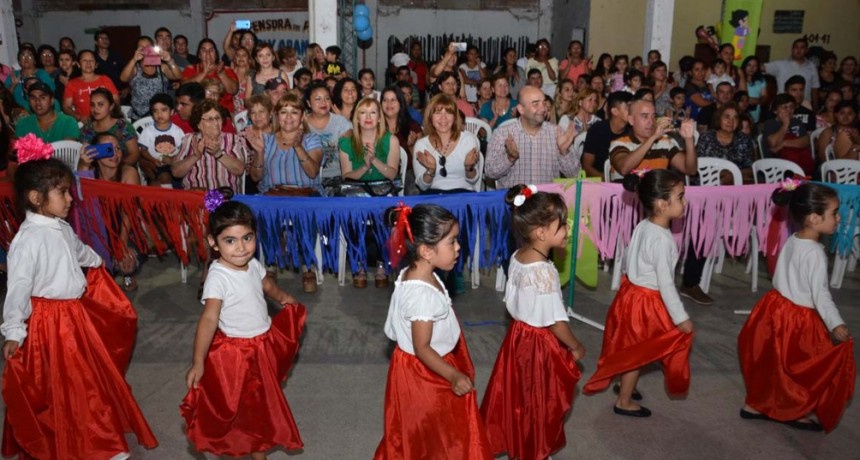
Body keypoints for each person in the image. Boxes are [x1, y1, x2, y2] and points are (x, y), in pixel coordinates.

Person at [1, 148, 157, 458]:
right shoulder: (27, 241)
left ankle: (98, 435)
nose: (71, 199)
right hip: (50, 323)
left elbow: (79, 250)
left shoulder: (61, 226)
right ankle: (93, 442)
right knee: (69, 382)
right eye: (63, 193)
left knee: (89, 375)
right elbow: (17, 287)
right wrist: (14, 331)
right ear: (35, 198)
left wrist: (99, 261)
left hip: (74, 315)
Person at [181, 188, 306, 458]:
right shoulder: (218, 276)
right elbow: (209, 318)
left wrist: (285, 299)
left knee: (260, 405)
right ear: (214, 243)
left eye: (247, 238)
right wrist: (198, 361)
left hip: (262, 345)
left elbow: (265, 285)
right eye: (230, 241)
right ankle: (251, 449)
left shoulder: (252, 263)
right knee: (240, 408)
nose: (241, 247)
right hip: (236, 354)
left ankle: (257, 448)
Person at [374, 203, 493, 459]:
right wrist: (452, 375)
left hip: (419, 365)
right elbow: (422, 347)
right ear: (427, 251)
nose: (458, 247)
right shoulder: (421, 296)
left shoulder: (416, 271)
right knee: (432, 432)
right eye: (452, 242)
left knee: (431, 430)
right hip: (424, 373)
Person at [738, 182, 854, 432]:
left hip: (774, 307)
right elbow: (821, 295)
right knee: (804, 368)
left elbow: (781, 274)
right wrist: (835, 323)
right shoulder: (814, 253)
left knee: (772, 361)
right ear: (814, 218)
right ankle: (794, 410)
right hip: (798, 319)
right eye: (834, 212)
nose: (838, 217)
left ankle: (755, 405)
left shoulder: (793, 238)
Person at [480, 185, 585, 460]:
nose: (567, 229)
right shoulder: (544, 272)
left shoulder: (518, 257)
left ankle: (522, 442)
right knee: (539, 399)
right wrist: (575, 345)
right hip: (538, 344)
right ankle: (534, 449)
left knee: (519, 396)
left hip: (517, 337)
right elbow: (555, 321)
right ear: (541, 233)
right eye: (562, 225)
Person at [584, 169, 694, 417]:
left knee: (631, 347)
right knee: (639, 352)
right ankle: (624, 401)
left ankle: (624, 385)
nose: (685, 202)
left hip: (630, 295)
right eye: (680, 197)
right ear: (661, 204)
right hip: (646, 302)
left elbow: (629, 259)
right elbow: (666, 284)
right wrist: (680, 318)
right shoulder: (662, 240)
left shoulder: (644, 225)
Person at [486, 86, 579, 187]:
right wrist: (510, 158)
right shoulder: (502, 134)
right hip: (515, 199)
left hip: (547, 200)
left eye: (543, 103)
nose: (543, 108)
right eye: (536, 104)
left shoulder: (556, 133)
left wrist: (564, 152)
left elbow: (576, 175)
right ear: (521, 109)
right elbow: (490, 172)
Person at [247, 94, 323, 195]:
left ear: (302, 116)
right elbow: (255, 177)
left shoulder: (311, 139)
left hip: (305, 199)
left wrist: (298, 147)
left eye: (294, 112)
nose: (288, 117)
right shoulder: (266, 140)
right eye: (283, 112)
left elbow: (313, 173)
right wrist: (259, 152)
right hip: (272, 198)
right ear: (277, 116)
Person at [172, 99, 248, 192]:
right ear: (199, 124)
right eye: (209, 119)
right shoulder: (189, 140)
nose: (215, 123)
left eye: (217, 118)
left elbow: (239, 169)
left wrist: (219, 154)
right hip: (197, 196)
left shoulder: (232, 139)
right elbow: (176, 172)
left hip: (225, 198)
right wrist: (195, 156)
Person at [413, 94, 481, 193]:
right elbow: (422, 187)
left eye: (448, 112)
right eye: (438, 113)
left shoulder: (468, 140)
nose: (443, 118)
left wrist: (468, 168)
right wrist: (430, 170)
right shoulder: (421, 145)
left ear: (454, 117)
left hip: (463, 195)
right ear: (430, 117)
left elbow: (473, 180)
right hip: (433, 197)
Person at [120, 35, 182, 120]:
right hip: (139, 117)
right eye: (141, 47)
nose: (145, 50)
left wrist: (169, 60)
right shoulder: (135, 68)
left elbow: (178, 76)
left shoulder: (161, 67)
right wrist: (134, 59)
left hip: (161, 115)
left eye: (148, 47)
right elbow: (123, 78)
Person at [304, 81, 353, 183]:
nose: (323, 102)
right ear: (308, 103)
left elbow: (350, 155)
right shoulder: (302, 124)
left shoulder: (341, 123)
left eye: (327, 98)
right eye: (318, 99)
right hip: (308, 178)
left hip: (338, 177)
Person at [80, 87, 141, 167]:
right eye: (92, 105)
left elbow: (134, 154)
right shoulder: (87, 129)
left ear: (111, 106)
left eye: (100, 104)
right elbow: (85, 156)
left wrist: (116, 170)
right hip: (97, 173)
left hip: (122, 170)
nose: (95, 109)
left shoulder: (122, 126)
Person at [696, 103, 755, 183]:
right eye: (727, 117)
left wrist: (734, 174)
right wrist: (724, 174)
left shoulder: (744, 140)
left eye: (735, 118)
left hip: (737, 183)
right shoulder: (706, 138)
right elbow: (699, 166)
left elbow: (751, 169)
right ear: (719, 119)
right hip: (708, 183)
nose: (731, 121)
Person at [138, 93, 186, 186]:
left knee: (169, 177)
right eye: (155, 111)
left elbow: (182, 150)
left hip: (173, 165)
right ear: (152, 113)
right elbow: (143, 151)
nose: (159, 114)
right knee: (157, 180)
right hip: (154, 165)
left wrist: (172, 159)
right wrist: (153, 160)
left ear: (172, 112)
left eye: (164, 110)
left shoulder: (177, 131)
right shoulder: (148, 131)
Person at [581, 91, 631, 177]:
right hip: (600, 181)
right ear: (615, 111)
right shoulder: (597, 130)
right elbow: (586, 166)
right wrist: (607, 180)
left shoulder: (633, 130)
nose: (633, 111)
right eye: (628, 108)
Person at [181, 39, 239, 114]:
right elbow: (184, 89)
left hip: (223, 113)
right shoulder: (191, 69)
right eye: (204, 50)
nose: (208, 53)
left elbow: (233, 90)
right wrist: (203, 73)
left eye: (211, 50)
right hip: (198, 113)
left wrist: (222, 74)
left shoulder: (226, 69)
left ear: (216, 54)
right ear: (199, 55)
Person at [762, 94, 814, 176]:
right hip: (776, 165)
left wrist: (783, 143)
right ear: (775, 110)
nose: (788, 110)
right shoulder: (770, 124)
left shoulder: (797, 122)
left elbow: (806, 141)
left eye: (791, 107)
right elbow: (773, 143)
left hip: (799, 164)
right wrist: (785, 124)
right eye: (784, 107)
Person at [62, 49, 119, 123]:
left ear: (96, 65)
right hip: (83, 123)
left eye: (91, 60)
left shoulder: (105, 79)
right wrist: (79, 117)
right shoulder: (72, 83)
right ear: (78, 64)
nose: (88, 63)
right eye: (84, 60)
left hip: (106, 121)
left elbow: (116, 100)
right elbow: (66, 106)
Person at [14, 81, 80, 143]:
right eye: (33, 98)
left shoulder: (68, 122)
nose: (37, 102)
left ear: (52, 101)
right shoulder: (23, 124)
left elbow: (69, 150)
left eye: (43, 97)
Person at [764, 38, 820, 109]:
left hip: (804, 106)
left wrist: (815, 108)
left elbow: (814, 89)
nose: (798, 50)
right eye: (796, 47)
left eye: (802, 47)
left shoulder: (812, 67)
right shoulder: (781, 64)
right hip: (783, 105)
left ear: (806, 50)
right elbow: (761, 67)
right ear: (792, 49)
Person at [6, 47, 57, 114]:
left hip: (40, 111)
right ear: (19, 61)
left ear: (35, 61)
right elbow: (6, 97)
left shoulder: (42, 74)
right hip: (18, 112)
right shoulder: (14, 75)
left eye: (29, 56)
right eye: (23, 56)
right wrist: (13, 85)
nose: (26, 58)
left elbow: (51, 93)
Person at [93, 30, 127, 96]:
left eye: (106, 38)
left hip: (118, 92)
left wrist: (127, 88)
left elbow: (126, 72)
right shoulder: (93, 58)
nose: (104, 40)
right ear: (96, 42)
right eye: (101, 38)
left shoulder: (117, 56)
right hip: (100, 93)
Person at [738, 56, 767, 123]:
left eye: (755, 66)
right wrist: (748, 100)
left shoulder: (761, 80)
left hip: (755, 113)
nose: (751, 68)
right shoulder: (739, 79)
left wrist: (759, 101)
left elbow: (764, 96)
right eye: (749, 65)